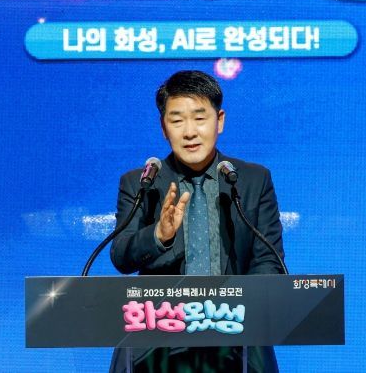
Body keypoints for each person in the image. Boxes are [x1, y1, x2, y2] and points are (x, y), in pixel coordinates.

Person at [109, 70, 285, 373]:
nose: (189, 132)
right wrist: (158, 235)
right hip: (157, 345)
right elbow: (121, 255)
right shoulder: (142, 183)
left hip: (236, 340)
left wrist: (239, 310)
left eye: (200, 118)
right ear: (164, 128)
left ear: (220, 121)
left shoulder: (252, 180)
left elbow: (268, 262)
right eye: (177, 121)